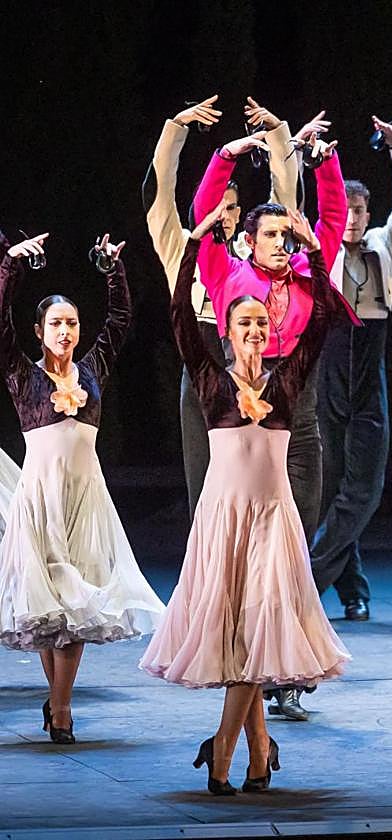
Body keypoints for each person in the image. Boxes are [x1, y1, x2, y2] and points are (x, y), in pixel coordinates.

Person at [139, 205, 350, 794]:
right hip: (223, 522)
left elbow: (327, 315)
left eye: (262, 324)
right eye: (245, 324)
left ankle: (227, 756)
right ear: (228, 331)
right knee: (239, 639)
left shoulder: (287, 381)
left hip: (273, 522)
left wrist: (311, 248)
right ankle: (257, 751)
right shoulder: (211, 381)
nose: (256, 332)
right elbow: (181, 317)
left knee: (255, 636)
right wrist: (194, 247)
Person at [192, 125, 352, 721]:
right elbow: (207, 215)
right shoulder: (229, 276)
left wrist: (324, 159)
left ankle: (281, 665)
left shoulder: (312, 274)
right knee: (236, 546)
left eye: (288, 235)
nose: (281, 244)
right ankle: (237, 655)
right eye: (271, 235)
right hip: (238, 418)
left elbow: (332, 214)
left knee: (291, 545)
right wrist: (227, 157)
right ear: (250, 242)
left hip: (297, 415)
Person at [0, 232, 165, 744]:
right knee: (50, 608)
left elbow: (121, 322)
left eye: (72, 322)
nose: (66, 331)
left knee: (79, 607)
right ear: (38, 330)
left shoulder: (92, 369)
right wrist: (10, 267)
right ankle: (59, 703)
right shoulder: (22, 375)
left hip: (85, 499)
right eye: (56, 324)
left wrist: (113, 272)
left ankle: (62, 706)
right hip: (40, 499)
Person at [143, 95, 307, 517]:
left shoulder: (248, 258)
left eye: (232, 207)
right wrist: (176, 127)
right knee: (204, 485)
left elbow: (287, 203)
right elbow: (157, 192)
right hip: (199, 367)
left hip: (250, 365)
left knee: (260, 483)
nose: (225, 213)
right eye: (218, 205)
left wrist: (277, 135)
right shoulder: (178, 243)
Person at [310, 115, 392, 623]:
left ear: (370, 213)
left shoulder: (386, 244)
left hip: (370, 365)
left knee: (365, 489)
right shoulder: (321, 243)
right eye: (347, 210)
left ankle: (310, 578)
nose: (353, 218)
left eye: (360, 210)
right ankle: (353, 589)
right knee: (331, 486)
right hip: (328, 363)